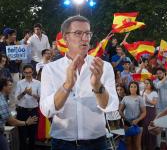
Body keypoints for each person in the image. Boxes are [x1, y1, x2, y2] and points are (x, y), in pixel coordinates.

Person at [40, 15, 119, 150]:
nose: (85, 38)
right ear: (65, 37)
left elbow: (111, 107)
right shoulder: (50, 69)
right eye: (78, 33)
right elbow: (47, 110)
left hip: (97, 143)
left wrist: (97, 86)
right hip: (62, 143)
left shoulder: (103, 66)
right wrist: (67, 86)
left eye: (88, 33)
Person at [0, 78, 37, 150]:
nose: (11, 87)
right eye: (10, 85)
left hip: (33, 111)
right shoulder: (2, 101)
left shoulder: (3, 98)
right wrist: (26, 123)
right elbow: (11, 121)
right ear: (4, 87)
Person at [15, 64, 40, 150]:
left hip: (33, 111)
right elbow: (17, 98)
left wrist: (31, 94)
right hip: (22, 111)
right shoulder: (19, 83)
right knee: (22, 136)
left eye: (29, 72)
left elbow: (40, 97)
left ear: (32, 72)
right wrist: (24, 92)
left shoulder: (38, 83)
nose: (28, 75)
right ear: (23, 73)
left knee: (33, 136)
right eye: (26, 73)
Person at [119, 81, 146, 150]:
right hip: (127, 123)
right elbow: (120, 111)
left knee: (137, 144)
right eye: (131, 86)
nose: (133, 88)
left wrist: (137, 120)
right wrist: (125, 118)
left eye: (135, 87)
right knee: (128, 143)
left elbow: (144, 112)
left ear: (137, 88)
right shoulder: (125, 98)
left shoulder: (140, 98)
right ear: (129, 88)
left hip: (138, 123)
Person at [142, 79, 158, 150]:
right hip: (143, 110)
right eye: (145, 83)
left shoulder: (154, 92)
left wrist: (147, 100)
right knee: (144, 127)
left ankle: (151, 146)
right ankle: (143, 146)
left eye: (147, 83)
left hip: (150, 110)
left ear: (151, 84)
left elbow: (154, 103)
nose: (146, 85)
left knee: (150, 126)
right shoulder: (142, 91)